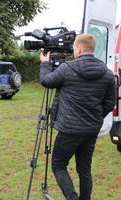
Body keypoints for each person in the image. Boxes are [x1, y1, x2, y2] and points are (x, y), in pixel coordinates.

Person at [39, 34, 115, 200]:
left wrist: (45, 64)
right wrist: (94, 117)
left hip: (69, 129)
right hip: (91, 130)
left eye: (74, 48)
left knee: (58, 165)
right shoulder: (108, 74)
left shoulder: (67, 69)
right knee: (84, 168)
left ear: (79, 49)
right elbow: (109, 104)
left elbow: (46, 81)